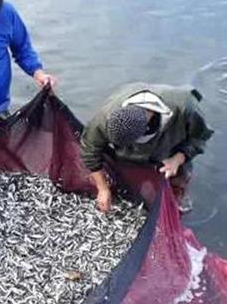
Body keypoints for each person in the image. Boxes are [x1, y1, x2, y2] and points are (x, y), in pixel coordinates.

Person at [80, 83, 214, 213]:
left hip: (171, 150)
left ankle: (175, 202)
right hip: (126, 155)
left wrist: (177, 159)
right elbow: (90, 151)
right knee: (129, 177)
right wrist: (102, 188)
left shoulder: (185, 108)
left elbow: (199, 138)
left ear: (149, 117)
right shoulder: (104, 119)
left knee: (178, 179)